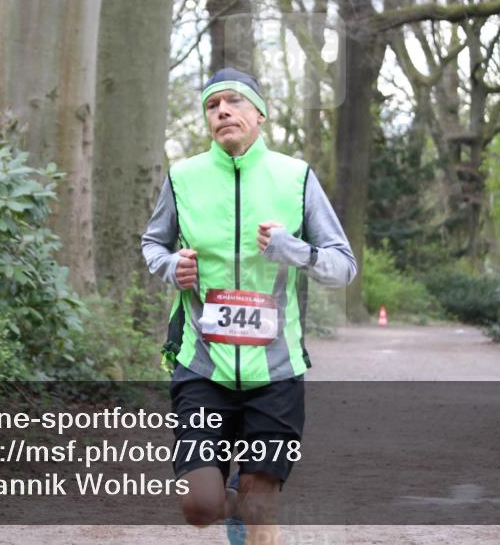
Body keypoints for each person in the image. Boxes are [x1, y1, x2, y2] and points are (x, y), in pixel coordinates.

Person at [141, 68, 357, 545]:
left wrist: (291, 248)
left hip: (276, 372)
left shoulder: (295, 176)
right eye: (212, 105)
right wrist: (171, 265)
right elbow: (153, 245)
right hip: (202, 367)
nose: (222, 111)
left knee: (260, 505)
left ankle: (248, 500)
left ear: (259, 114)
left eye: (234, 101)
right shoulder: (184, 177)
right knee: (200, 508)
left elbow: (344, 267)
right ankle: (229, 497)